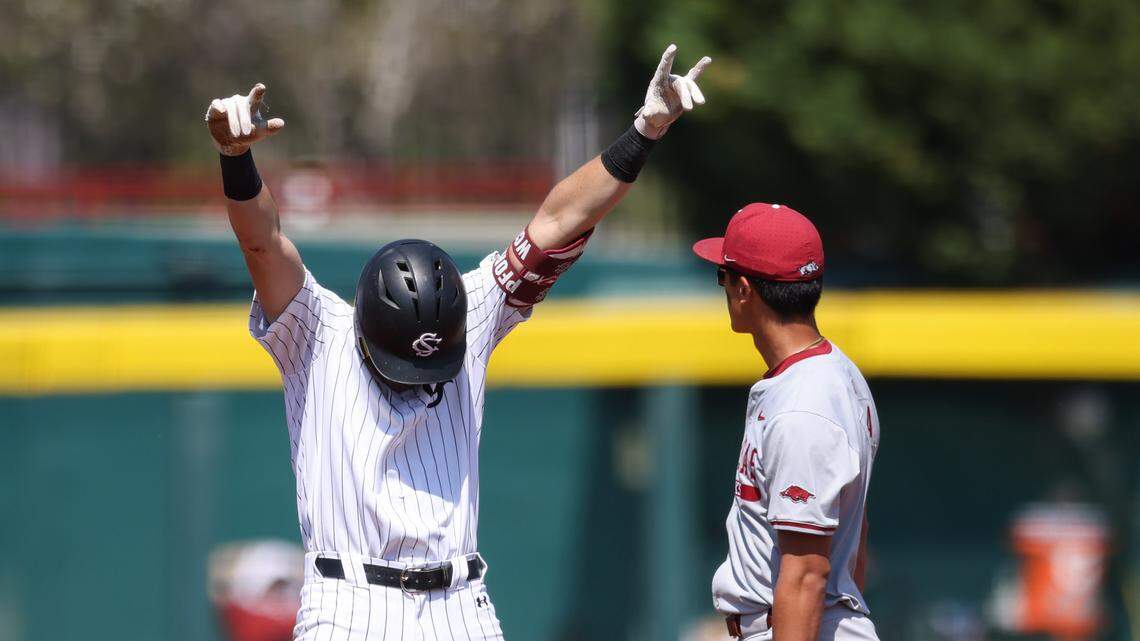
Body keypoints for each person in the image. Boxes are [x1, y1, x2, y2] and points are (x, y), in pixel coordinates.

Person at [204, 44, 710, 640]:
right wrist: (235, 159)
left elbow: (559, 222)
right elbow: (262, 243)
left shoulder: (472, 310)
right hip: (348, 604)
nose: (417, 373)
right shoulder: (316, 331)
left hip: (460, 603)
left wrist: (643, 133)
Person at [692, 203, 881, 641]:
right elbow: (857, 539)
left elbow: (806, 575)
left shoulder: (803, 405)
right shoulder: (834, 374)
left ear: (743, 288)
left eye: (722, 276)